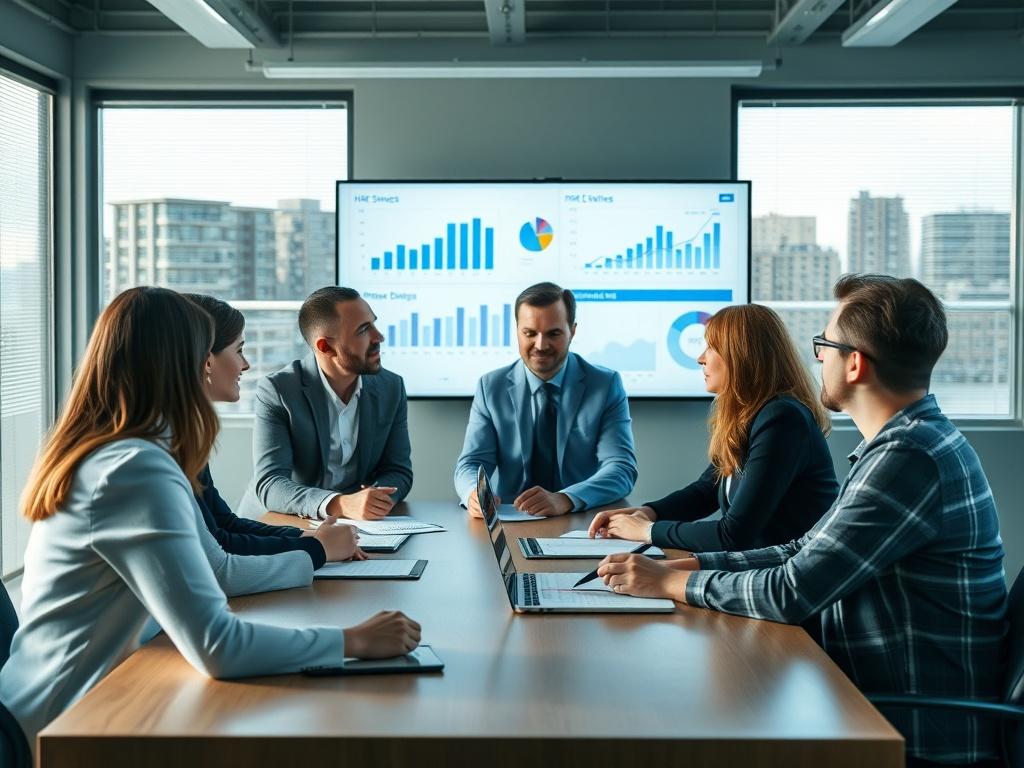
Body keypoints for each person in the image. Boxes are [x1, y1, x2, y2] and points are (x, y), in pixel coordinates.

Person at [596, 275, 1007, 766]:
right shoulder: (900, 447)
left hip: (907, 730)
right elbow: (801, 550)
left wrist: (670, 584)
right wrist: (690, 567)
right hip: (865, 696)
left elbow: (793, 591)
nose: (817, 358)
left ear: (854, 363)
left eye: (824, 345)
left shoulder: (910, 458)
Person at [0, 287, 420, 750]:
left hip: (83, 706)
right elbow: (218, 645)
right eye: (231, 352)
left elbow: (211, 564)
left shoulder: (129, 453)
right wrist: (352, 641)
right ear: (195, 362)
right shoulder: (133, 470)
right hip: (51, 730)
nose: (243, 365)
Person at [588, 304, 838, 552]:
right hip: (758, 568)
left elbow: (733, 535)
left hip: (783, 579)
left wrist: (645, 531)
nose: (700, 358)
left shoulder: (782, 419)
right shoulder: (751, 415)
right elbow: (706, 490)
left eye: (711, 347)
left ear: (740, 355)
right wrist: (647, 513)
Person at [184, 294, 364, 568]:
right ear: (208, 361)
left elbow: (225, 524)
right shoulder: (166, 447)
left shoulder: (186, 435)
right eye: (240, 350)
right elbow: (220, 545)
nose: (246, 364)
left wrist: (311, 536)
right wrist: (317, 547)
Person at [454, 282, 638, 518]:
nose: (540, 345)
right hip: (509, 519)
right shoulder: (491, 387)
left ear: (573, 330)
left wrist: (566, 498)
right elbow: (472, 463)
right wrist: (474, 493)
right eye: (529, 333)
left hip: (580, 521)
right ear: (517, 330)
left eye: (554, 334)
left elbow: (621, 469)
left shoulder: (604, 385)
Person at [238, 286, 413, 521]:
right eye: (363, 330)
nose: (378, 337)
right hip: (280, 523)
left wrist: (375, 500)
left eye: (373, 324)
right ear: (325, 347)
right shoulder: (278, 391)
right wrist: (339, 504)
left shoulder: (391, 387)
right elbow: (270, 483)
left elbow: (398, 470)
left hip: (356, 526)